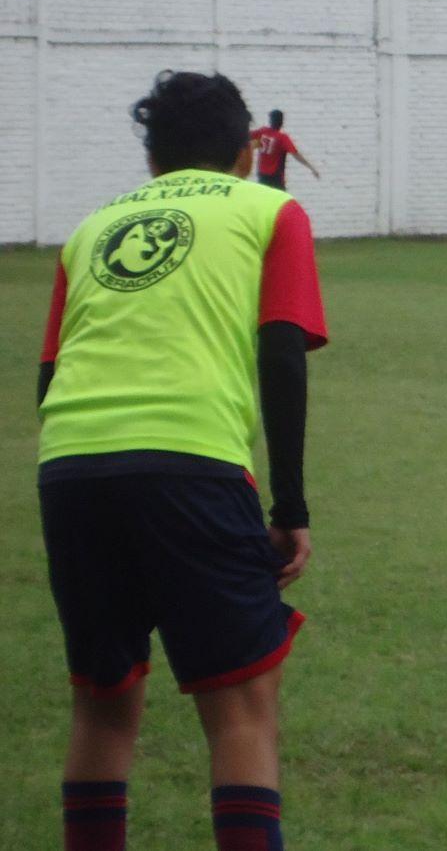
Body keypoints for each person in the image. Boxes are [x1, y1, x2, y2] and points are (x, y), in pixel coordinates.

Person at [37, 71, 328, 851]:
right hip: (191, 463)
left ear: (153, 159)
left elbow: (48, 375)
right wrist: (291, 509)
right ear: (244, 153)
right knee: (241, 709)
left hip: (69, 469)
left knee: (102, 703)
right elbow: (283, 354)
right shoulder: (271, 210)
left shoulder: (91, 228)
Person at [248, 109, 320, 191]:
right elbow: (295, 154)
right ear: (281, 122)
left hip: (262, 174)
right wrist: (311, 167)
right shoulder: (282, 138)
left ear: (270, 120)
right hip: (275, 176)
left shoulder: (262, 132)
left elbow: (246, 136)